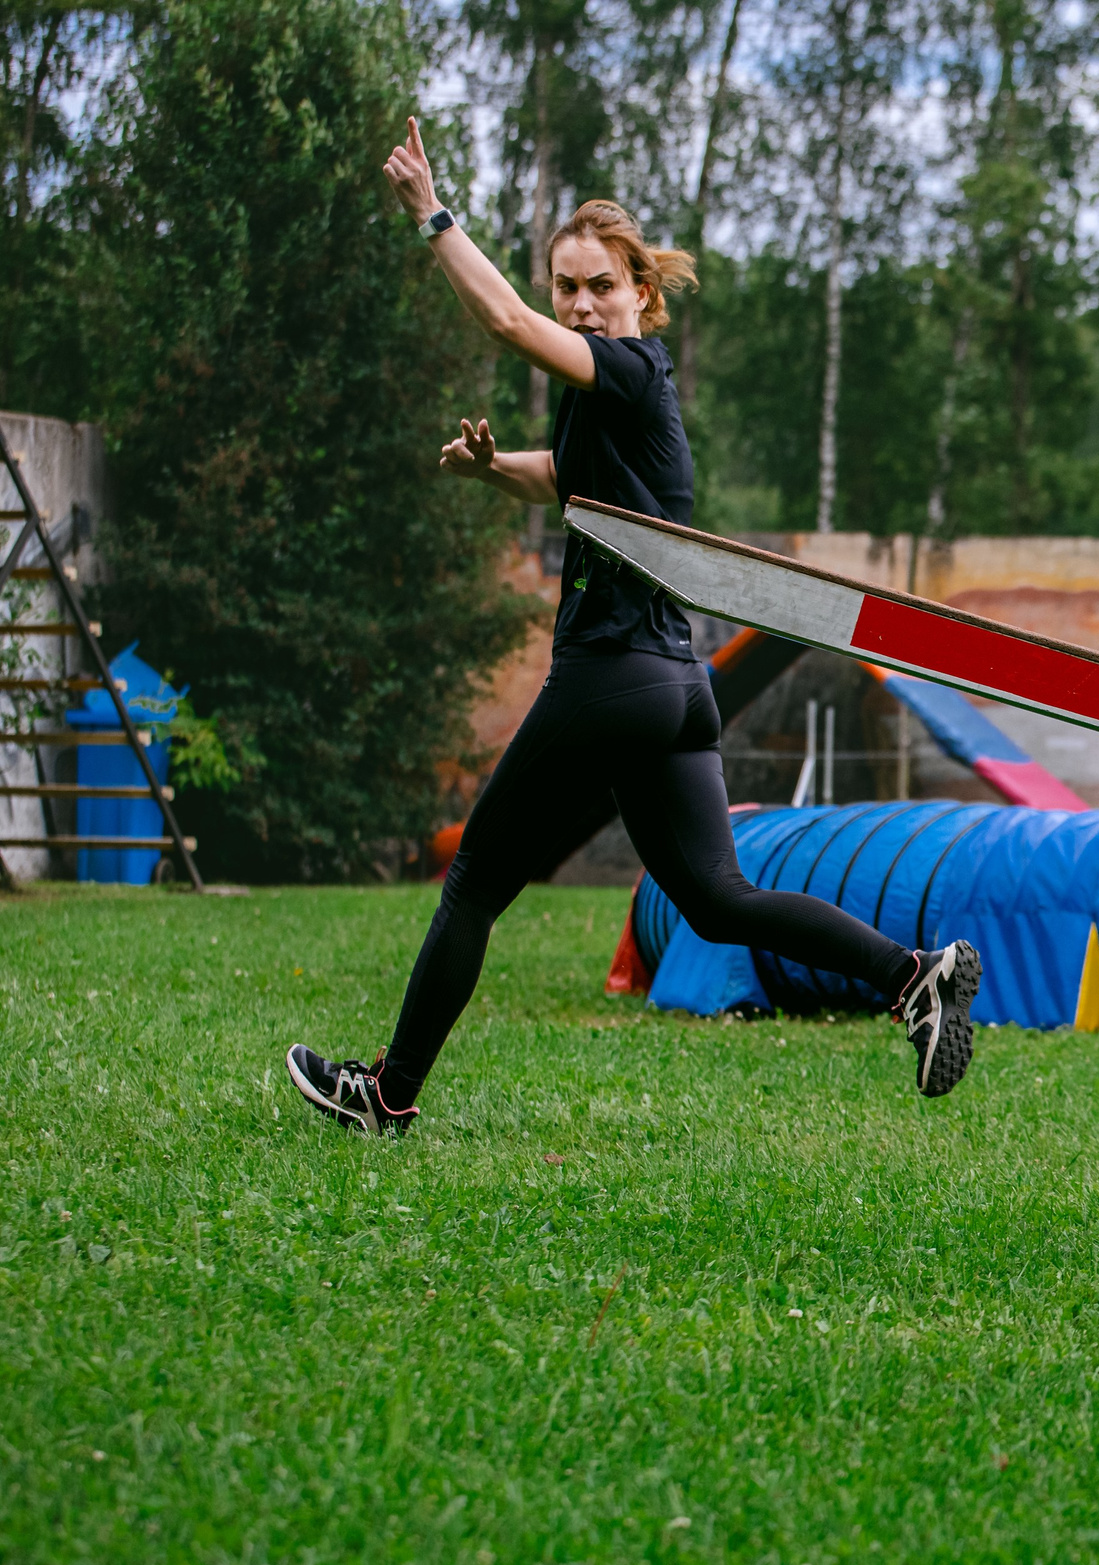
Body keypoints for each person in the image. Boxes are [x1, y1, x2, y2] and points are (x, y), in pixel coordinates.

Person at [286, 118, 979, 1133]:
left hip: (611, 676)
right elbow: (568, 482)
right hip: (674, 689)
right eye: (566, 285)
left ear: (641, 296)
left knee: (474, 878)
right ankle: (913, 974)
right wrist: (494, 469)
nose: (578, 303)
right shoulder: (607, 402)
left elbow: (508, 329)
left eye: (598, 285)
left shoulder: (633, 370)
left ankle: (387, 1096)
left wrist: (431, 215)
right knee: (717, 899)